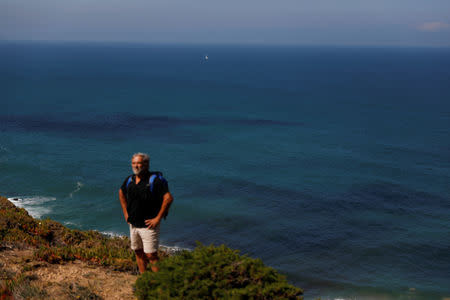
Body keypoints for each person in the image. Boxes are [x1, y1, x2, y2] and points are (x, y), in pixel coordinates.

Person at [119, 153, 173, 273]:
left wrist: (158, 218)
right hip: (133, 224)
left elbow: (168, 198)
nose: (136, 166)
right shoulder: (130, 179)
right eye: (133, 163)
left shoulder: (155, 181)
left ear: (146, 164)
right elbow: (121, 193)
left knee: (151, 255)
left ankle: (159, 284)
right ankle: (144, 280)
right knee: (138, 252)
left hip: (148, 226)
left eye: (139, 163)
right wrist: (126, 213)